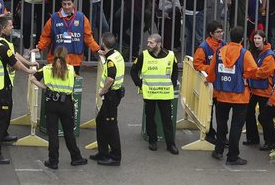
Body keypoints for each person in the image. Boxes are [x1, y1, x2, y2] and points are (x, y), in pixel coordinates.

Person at [0, 17, 37, 164]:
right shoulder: (2, 48)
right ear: (1, 31)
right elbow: (16, 65)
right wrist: (29, 71)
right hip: (0, 88)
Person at [206, 26, 259, 165]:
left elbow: (212, 71)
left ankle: (218, 151)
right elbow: (253, 70)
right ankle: (232, 156)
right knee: (236, 126)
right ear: (242, 39)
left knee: (221, 123)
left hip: (222, 94)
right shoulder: (244, 53)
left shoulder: (220, 51)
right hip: (240, 96)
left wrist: (211, 80)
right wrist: (244, 76)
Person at [31, 46, 88, 169]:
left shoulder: (46, 69)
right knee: (68, 132)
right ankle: (76, 157)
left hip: (51, 102)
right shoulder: (71, 69)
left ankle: (53, 161)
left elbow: (33, 79)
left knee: (53, 133)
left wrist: (45, 87)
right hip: (66, 103)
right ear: (66, 57)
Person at [130, 33, 180, 154]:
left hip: (164, 94)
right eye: (148, 42)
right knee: (150, 118)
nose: (148, 45)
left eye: (151, 43)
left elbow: (175, 71)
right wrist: (140, 84)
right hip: (150, 94)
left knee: (167, 119)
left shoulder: (171, 55)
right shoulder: (144, 55)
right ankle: (152, 141)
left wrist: (172, 85)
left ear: (159, 44)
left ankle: (170, 144)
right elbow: (133, 71)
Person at [36, 0, 102, 66]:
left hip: (75, 60)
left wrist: (97, 49)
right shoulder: (54, 18)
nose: (67, 7)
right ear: (61, 4)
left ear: (73, 4)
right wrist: (39, 48)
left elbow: (88, 37)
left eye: (69, 4)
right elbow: (46, 36)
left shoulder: (81, 18)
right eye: (64, 4)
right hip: (58, 59)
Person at [94, 33, 126, 166]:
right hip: (115, 94)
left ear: (102, 43)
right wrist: (104, 54)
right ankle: (103, 152)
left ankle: (115, 157)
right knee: (100, 121)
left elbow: (110, 78)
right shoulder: (116, 55)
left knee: (111, 126)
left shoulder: (111, 61)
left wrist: (102, 91)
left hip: (111, 95)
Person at [243, 30, 275, 149]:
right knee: (248, 112)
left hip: (265, 90)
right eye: (255, 38)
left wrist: (250, 73)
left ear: (264, 39)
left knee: (264, 117)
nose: (256, 40)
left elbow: (263, 73)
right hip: (254, 89)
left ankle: (270, 141)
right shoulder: (252, 52)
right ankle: (252, 138)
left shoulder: (269, 55)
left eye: (259, 38)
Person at [191, 21, 224, 146]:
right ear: (211, 34)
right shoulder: (203, 47)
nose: (221, 34)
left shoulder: (224, 45)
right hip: (208, 86)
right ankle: (209, 134)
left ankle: (220, 136)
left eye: (221, 31)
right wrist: (212, 69)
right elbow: (197, 64)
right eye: (218, 32)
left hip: (221, 87)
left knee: (221, 115)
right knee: (208, 113)